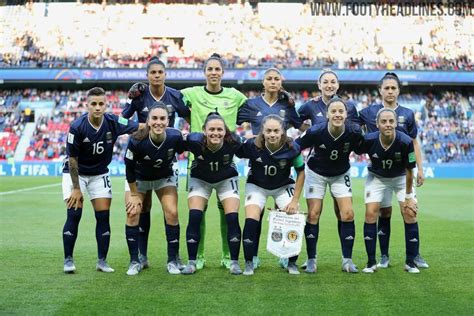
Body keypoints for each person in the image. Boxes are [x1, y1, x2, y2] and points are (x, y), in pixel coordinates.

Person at [128, 53, 247, 270]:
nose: (213, 72)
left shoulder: (235, 96)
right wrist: (143, 90)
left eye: (217, 69)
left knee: (227, 213)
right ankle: (197, 257)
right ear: (204, 73)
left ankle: (229, 257)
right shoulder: (190, 93)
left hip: (226, 161)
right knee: (196, 213)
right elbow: (163, 95)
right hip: (198, 161)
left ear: (222, 72)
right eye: (209, 69)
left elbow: (256, 111)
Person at [62, 87, 139, 273]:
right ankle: (68, 260)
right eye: (94, 104)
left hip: (100, 174)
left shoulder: (113, 121)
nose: (97, 107)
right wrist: (76, 188)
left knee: (103, 216)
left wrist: (160, 127)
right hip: (76, 174)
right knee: (74, 214)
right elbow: (72, 159)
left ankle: (102, 261)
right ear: (87, 105)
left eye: (101, 104)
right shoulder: (77, 126)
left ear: (106, 104)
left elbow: (137, 127)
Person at [123, 57, 189, 269]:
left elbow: (191, 117)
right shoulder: (139, 96)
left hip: (165, 164)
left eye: (160, 72)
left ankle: (174, 258)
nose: (157, 76)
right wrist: (142, 127)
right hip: (141, 165)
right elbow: (121, 121)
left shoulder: (175, 96)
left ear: (165, 74)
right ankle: (140, 257)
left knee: (171, 211)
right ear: (148, 75)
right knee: (139, 209)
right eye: (153, 73)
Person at [357, 72, 429, 269]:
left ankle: (414, 256)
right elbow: (352, 126)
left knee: (410, 210)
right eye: (386, 88)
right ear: (380, 90)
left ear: (398, 90)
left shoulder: (407, 113)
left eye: (393, 88)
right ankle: (383, 257)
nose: (389, 91)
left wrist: (420, 169)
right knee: (384, 212)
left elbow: (414, 142)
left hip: (402, 172)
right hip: (377, 172)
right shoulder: (368, 112)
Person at [236, 67, 303, 269]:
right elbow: (232, 121)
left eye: (276, 79)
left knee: (291, 216)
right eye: (269, 79)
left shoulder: (287, 105)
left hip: (282, 177)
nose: (273, 82)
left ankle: (287, 257)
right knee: (253, 216)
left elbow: (300, 126)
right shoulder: (250, 104)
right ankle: (251, 258)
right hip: (258, 163)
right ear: (263, 82)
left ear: (280, 82)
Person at [296, 69, 359, 269]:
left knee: (347, 213)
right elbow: (296, 140)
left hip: (341, 171)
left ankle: (347, 260)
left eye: (333, 81)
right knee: (314, 213)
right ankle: (311, 260)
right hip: (316, 171)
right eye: (326, 81)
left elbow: (360, 140)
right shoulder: (313, 117)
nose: (330, 85)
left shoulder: (350, 111)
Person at [181, 113, 243, 275]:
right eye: (212, 129)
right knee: (195, 216)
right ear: (204, 130)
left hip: (226, 178)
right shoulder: (194, 140)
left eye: (219, 129)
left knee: (232, 217)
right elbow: (174, 141)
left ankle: (234, 261)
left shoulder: (234, 141)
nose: (216, 133)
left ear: (225, 131)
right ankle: (192, 261)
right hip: (200, 179)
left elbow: (252, 148)